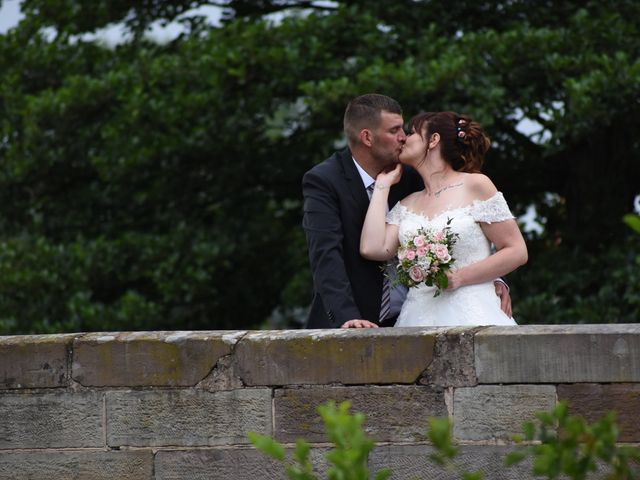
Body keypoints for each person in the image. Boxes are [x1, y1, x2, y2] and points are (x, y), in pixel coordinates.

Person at [302, 95, 511, 328]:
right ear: (367, 137)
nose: (403, 137)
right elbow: (326, 256)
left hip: (422, 311)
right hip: (357, 317)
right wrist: (347, 317)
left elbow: (465, 223)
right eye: (394, 130)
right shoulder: (324, 180)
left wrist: (490, 278)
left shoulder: (414, 174)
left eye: (405, 129)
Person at [359, 111, 527, 326]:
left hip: (473, 312)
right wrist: (382, 186)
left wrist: (459, 278)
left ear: (433, 140)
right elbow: (372, 248)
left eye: (412, 133)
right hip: (416, 317)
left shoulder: (476, 185)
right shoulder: (407, 202)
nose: (404, 138)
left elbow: (516, 251)